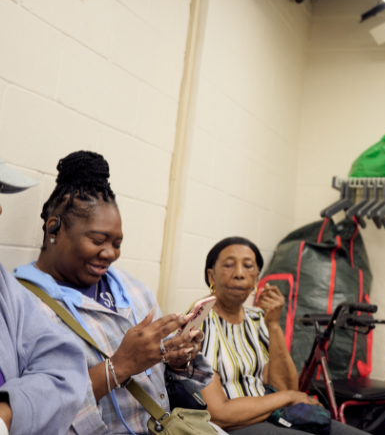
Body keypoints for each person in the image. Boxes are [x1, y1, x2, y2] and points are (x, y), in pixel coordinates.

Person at [14, 150, 213, 434]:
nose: (109, 254)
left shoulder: (132, 289)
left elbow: (163, 383)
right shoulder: (20, 305)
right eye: (97, 240)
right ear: (53, 228)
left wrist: (177, 359)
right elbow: (26, 413)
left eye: (117, 243)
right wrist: (119, 366)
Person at [200, 237, 366, 435]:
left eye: (248, 266)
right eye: (228, 265)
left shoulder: (256, 318)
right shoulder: (200, 324)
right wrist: (288, 397)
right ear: (211, 276)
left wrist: (273, 325)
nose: (239, 274)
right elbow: (219, 414)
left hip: (276, 414)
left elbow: (283, 386)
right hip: (235, 426)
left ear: (257, 279)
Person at [0, 156, 90, 435]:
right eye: (97, 240)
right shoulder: (34, 289)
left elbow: (64, 368)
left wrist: (7, 412)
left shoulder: (5, 287)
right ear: (53, 230)